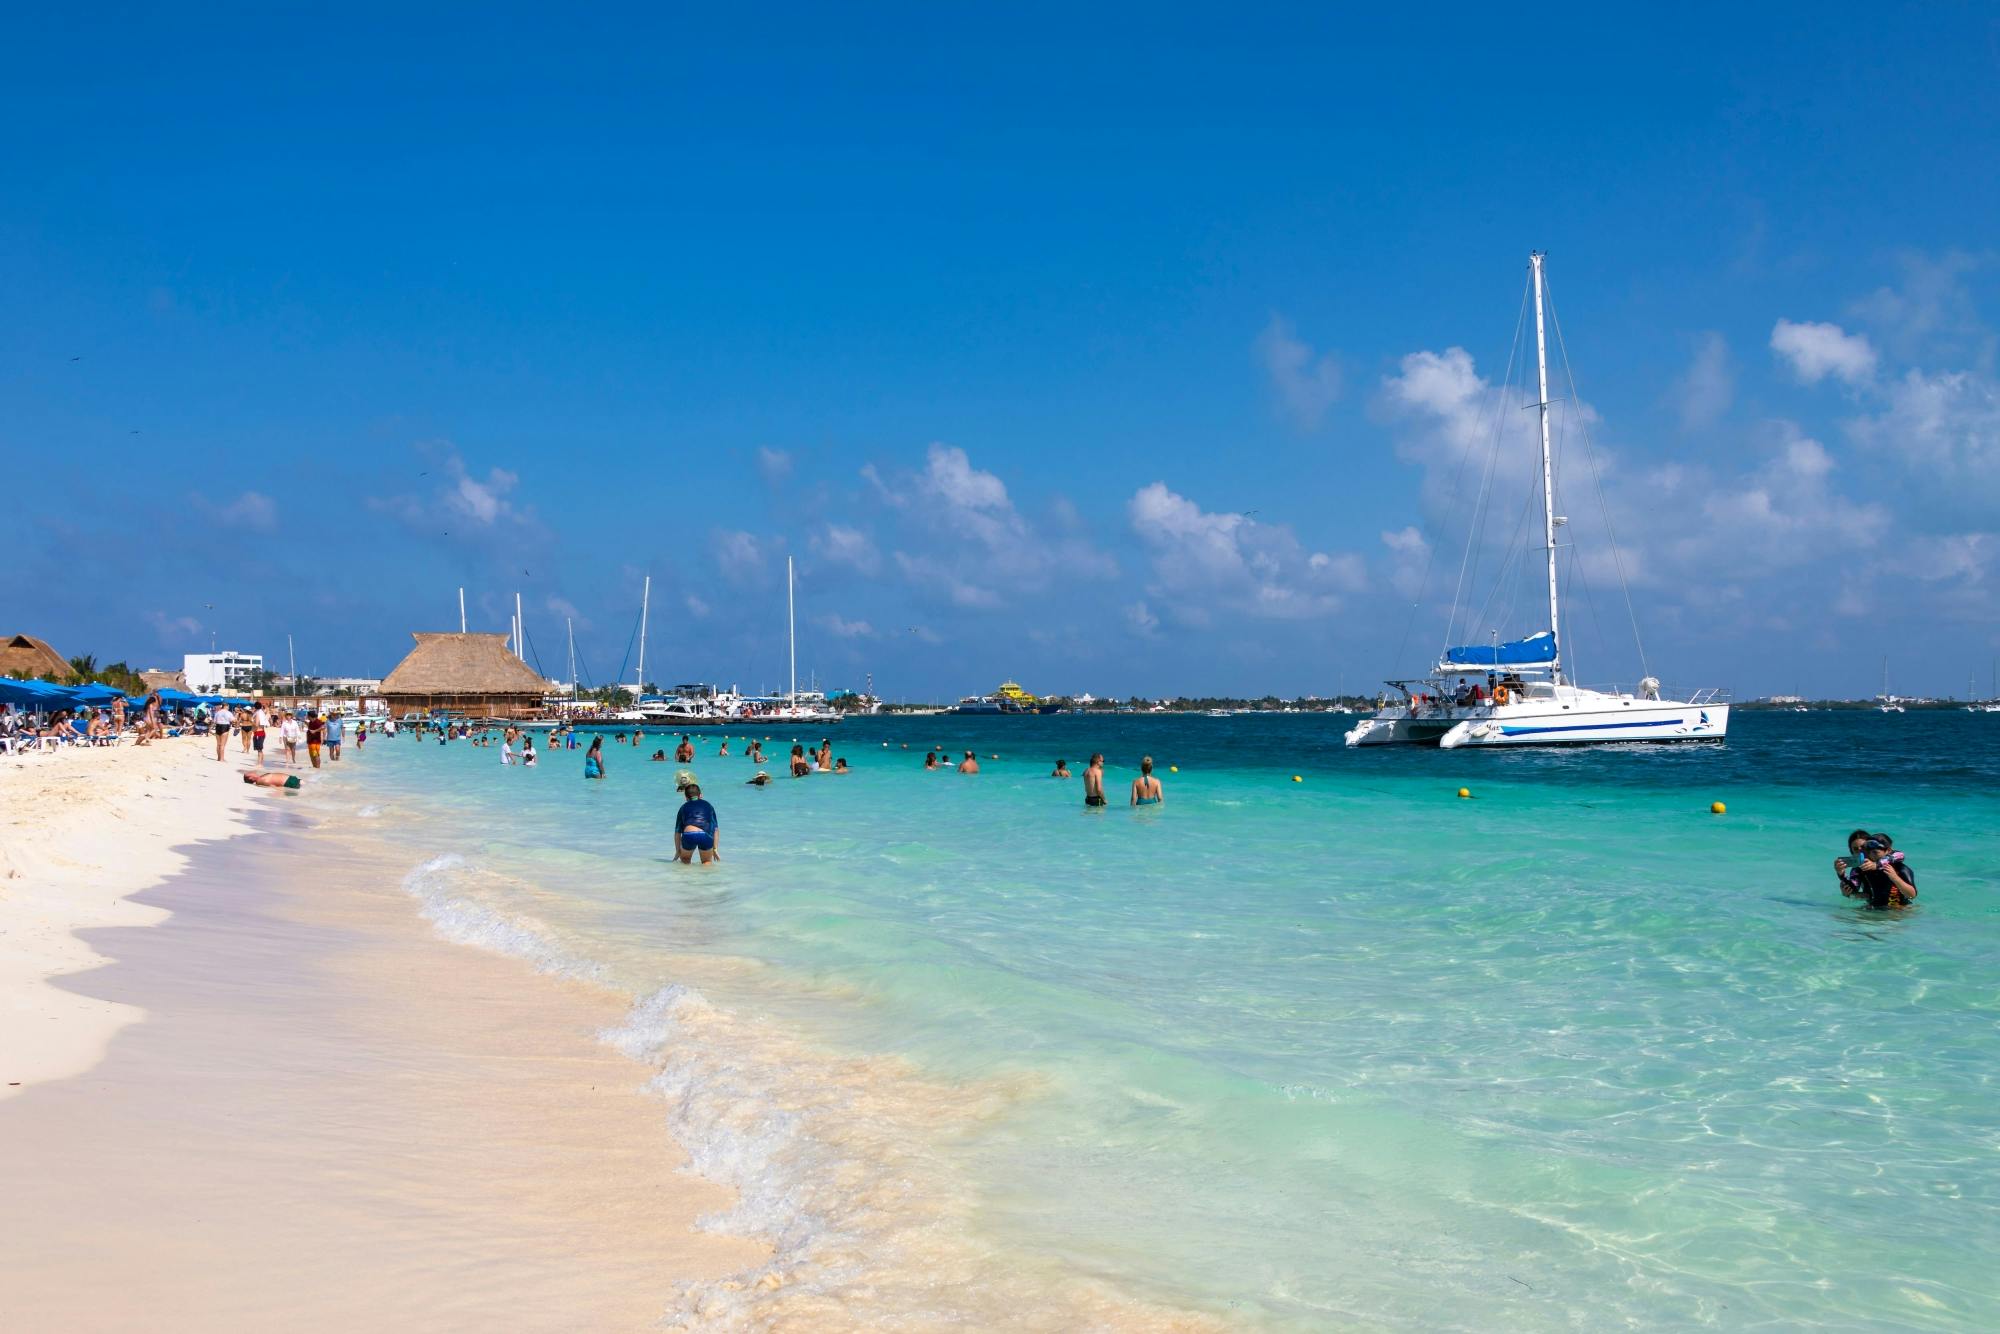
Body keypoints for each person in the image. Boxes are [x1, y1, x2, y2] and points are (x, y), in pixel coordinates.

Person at [674, 783, 720, 864]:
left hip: (690, 834)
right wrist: (715, 849)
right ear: (701, 795)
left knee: (685, 861)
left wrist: (678, 851)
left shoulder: (683, 807)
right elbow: (715, 829)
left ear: (686, 798)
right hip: (706, 835)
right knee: (706, 862)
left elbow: (677, 832)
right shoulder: (709, 806)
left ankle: (687, 876)